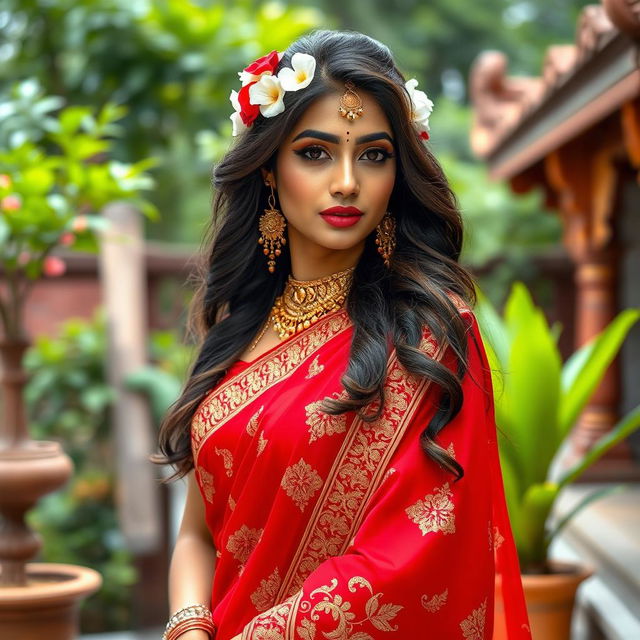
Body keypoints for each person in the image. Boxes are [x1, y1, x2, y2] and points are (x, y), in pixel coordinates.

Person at [156, 29, 531, 640]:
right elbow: (198, 536)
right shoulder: (238, 330)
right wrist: (189, 626)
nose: (348, 182)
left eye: (375, 155)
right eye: (315, 153)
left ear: (398, 173)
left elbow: (415, 556)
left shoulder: (429, 334)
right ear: (270, 170)